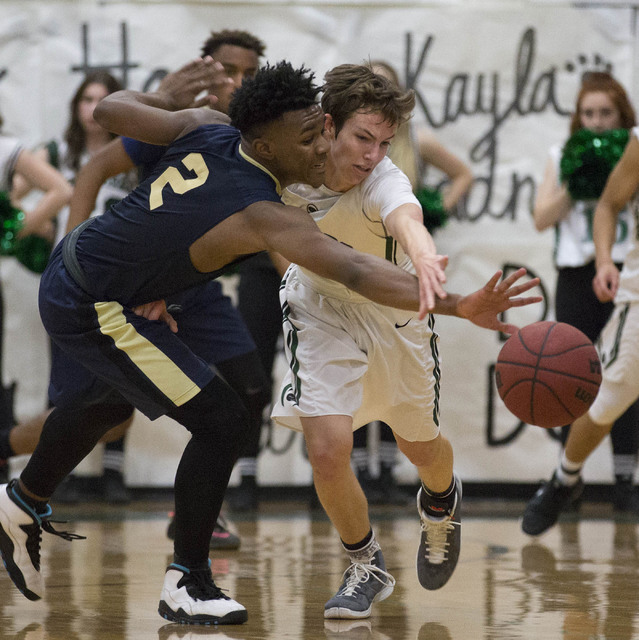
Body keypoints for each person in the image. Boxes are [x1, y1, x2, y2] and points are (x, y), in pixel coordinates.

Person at [0, 57, 540, 625]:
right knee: (225, 420)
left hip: (90, 268)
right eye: (309, 136)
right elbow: (351, 271)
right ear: (262, 141)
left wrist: (161, 98)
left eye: (322, 131)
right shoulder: (264, 210)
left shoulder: (206, 125)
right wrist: (458, 305)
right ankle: (189, 578)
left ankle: (22, 501)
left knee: (119, 396)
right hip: (96, 301)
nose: (319, 146)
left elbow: (112, 111)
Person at [270, 63, 537, 620]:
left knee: (420, 447)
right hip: (319, 307)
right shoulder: (285, 168)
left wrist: (421, 255)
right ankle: (365, 563)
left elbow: (407, 219)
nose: (372, 153)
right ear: (327, 125)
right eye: (362, 138)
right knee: (326, 448)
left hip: (396, 312)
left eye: (384, 142)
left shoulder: (384, 180)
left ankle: (441, 500)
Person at [0, 29, 267, 547]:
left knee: (248, 389)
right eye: (227, 70)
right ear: (204, 70)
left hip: (193, 289)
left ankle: (202, 511)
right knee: (103, 408)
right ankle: (11, 462)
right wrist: (70, 253)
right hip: (128, 285)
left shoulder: (264, 136)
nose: (237, 81)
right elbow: (96, 167)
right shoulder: (181, 120)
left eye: (248, 73)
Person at [10, 71, 138, 505]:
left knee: (126, 378)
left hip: (121, 279)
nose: (92, 108)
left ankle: (114, 473)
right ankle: (49, 472)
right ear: (75, 106)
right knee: (66, 383)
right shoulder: (57, 152)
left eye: (101, 99)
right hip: (69, 281)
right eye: (85, 99)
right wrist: (36, 225)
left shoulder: (134, 152)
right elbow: (14, 194)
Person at [348, 60, 473, 505]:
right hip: (351, 265)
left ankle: (393, 475)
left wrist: (435, 210)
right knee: (354, 373)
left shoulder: (412, 145)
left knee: (395, 378)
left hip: (400, 260)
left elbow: (461, 174)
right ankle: (356, 472)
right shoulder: (333, 152)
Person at [522, 72, 639, 534]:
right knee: (600, 386)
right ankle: (566, 477)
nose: (595, 122)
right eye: (587, 113)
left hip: (613, 272)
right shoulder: (587, 152)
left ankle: (626, 482)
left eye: (604, 113)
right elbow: (549, 217)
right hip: (594, 276)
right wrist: (606, 258)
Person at [0, 113, 72, 474]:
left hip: (16, 276)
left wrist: (13, 229)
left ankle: (18, 474)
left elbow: (62, 189)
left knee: (23, 368)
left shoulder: (7, 149)